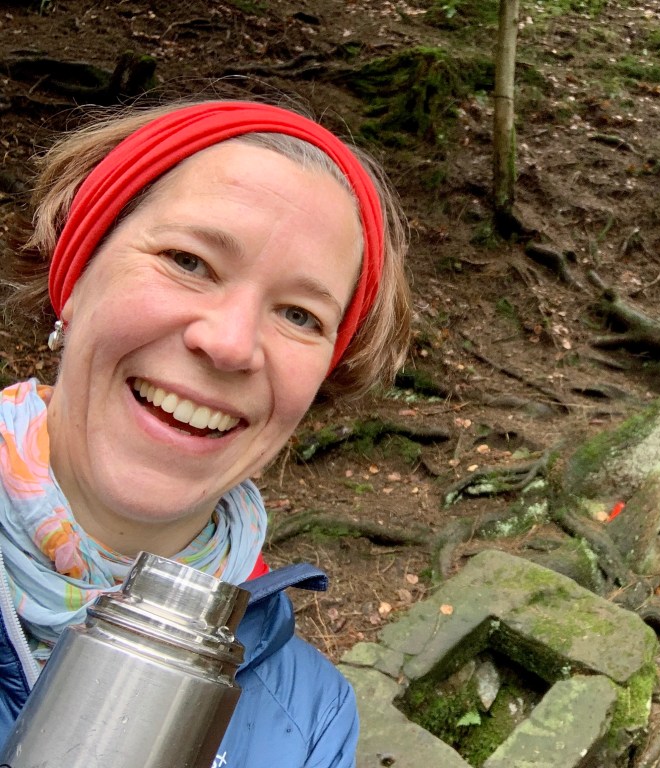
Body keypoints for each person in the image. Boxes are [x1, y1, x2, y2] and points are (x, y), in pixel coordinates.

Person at [0, 99, 411, 766]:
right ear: (75, 276)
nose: (229, 343)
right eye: (188, 261)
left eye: (300, 315)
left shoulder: (312, 720)